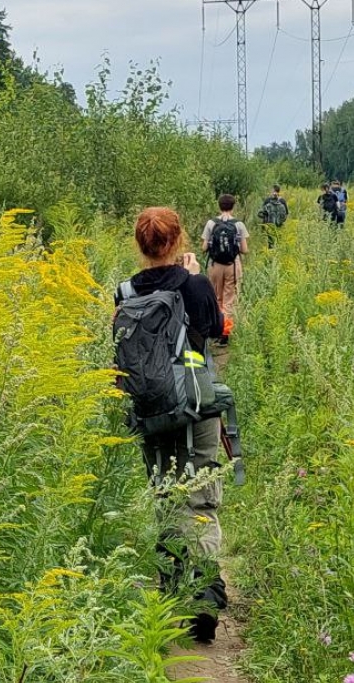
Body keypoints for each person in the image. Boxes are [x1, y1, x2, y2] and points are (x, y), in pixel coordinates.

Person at [114, 207, 228, 643]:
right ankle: (203, 596)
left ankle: (170, 581)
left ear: (140, 246)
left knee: (162, 490)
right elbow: (214, 330)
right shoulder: (195, 283)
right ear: (178, 240)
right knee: (198, 495)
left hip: (147, 406)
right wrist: (194, 277)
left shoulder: (125, 291)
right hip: (195, 401)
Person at [201, 194, 249, 345]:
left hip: (215, 265)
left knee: (216, 298)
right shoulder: (238, 224)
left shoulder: (210, 223)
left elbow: (203, 248)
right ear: (233, 206)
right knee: (230, 300)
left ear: (219, 206)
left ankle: (215, 329)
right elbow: (244, 249)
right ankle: (225, 334)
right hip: (232, 265)